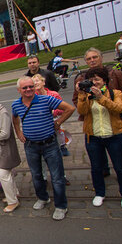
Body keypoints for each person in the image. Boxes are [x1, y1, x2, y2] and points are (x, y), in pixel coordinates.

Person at [12, 77, 75, 220]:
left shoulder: (46, 100)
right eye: (25, 88)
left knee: (57, 177)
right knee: (36, 175)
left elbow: (70, 108)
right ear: (19, 90)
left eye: (30, 86)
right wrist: (19, 132)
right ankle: (43, 198)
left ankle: (61, 206)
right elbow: (15, 119)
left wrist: (58, 121)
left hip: (50, 144)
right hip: (30, 146)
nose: (28, 89)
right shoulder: (16, 104)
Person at [76, 67, 122, 209]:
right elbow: (81, 112)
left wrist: (100, 98)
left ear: (104, 81)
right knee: (96, 168)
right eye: (91, 80)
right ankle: (99, 193)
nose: (94, 82)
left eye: (97, 79)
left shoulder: (115, 93)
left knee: (120, 167)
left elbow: (118, 108)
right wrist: (82, 95)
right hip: (94, 136)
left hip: (114, 136)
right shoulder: (87, 95)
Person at [74, 48, 122, 124]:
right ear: (86, 61)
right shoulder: (81, 79)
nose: (92, 60)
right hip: (94, 118)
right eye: (89, 59)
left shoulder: (114, 74)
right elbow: (76, 99)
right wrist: (86, 109)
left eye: (95, 57)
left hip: (115, 115)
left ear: (101, 58)